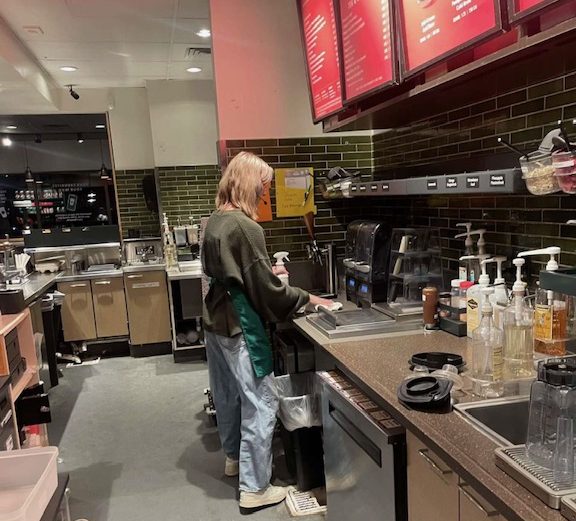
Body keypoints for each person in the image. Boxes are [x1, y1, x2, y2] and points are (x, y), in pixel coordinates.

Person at [201, 151, 332, 514]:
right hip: (240, 323)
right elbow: (266, 290)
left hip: (215, 322)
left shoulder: (215, 221)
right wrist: (311, 299)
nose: (265, 194)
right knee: (261, 402)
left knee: (228, 396)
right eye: (263, 186)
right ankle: (255, 487)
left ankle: (234, 459)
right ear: (248, 184)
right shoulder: (245, 227)